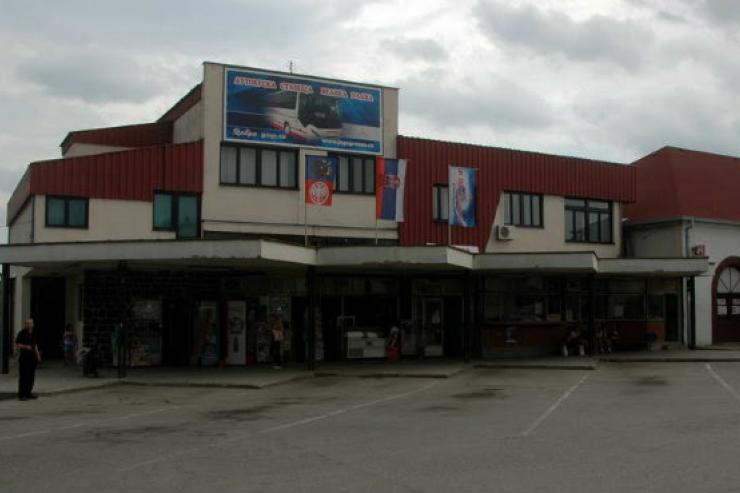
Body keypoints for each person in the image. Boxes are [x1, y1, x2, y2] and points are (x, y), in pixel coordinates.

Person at [15, 319, 41, 401]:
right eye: (28, 323)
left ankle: (28, 393)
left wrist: (38, 355)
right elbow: (17, 344)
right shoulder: (22, 333)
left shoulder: (34, 333)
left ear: (33, 324)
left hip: (32, 358)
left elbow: (35, 345)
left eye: (31, 323)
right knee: (24, 376)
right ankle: (22, 395)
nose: (29, 325)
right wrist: (26, 347)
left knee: (31, 377)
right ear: (25, 325)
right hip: (24, 358)